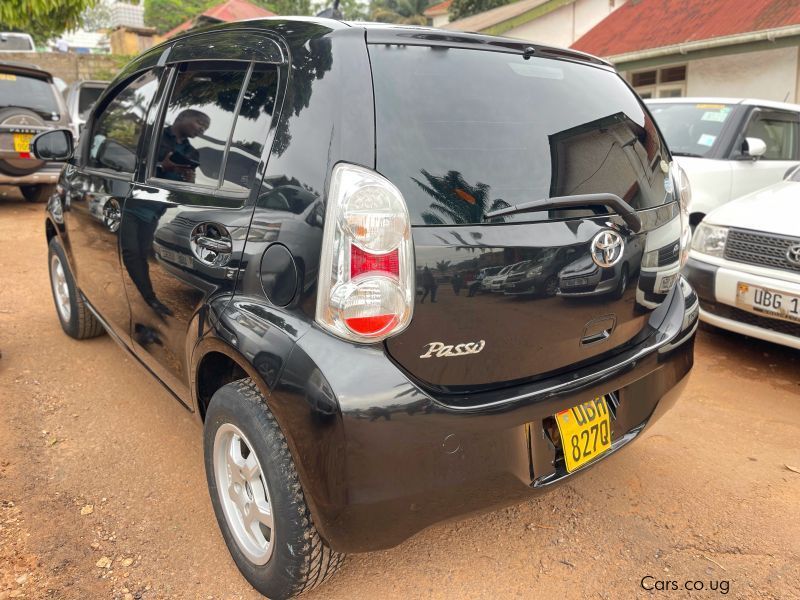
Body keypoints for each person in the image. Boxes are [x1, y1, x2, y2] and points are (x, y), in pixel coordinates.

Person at [155, 109, 210, 183]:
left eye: (205, 128)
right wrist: (161, 165)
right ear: (182, 117)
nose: (202, 129)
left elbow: (189, 182)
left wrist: (190, 180)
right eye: (200, 123)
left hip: (175, 193)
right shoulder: (154, 135)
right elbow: (136, 162)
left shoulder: (193, 153)